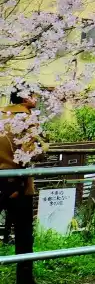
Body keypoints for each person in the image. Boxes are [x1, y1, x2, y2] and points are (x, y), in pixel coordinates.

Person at [1, 91, 44, 284]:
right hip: (19, 182)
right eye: (34, 95)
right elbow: (30, 154)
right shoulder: (27, 119)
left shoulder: (1, 115)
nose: (37, 99)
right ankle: (25, 277)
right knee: (24, 233)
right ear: (26, 98)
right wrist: (45, 147)